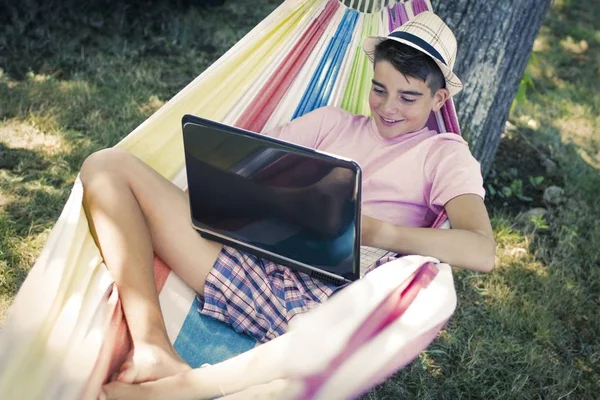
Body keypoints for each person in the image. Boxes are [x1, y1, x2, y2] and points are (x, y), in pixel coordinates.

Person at [84, 11, 495, 400]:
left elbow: (481, 250)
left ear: (439, 99)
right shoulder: (330, 123)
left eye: (408, 97)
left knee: (345, 333)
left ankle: (189, 386)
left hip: (339, 299)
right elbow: (247, 167)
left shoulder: (444, 154)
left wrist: (371, 230)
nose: (388, 108)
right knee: (106, 166)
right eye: (379, 89)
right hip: (256, 261)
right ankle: (153, 344)